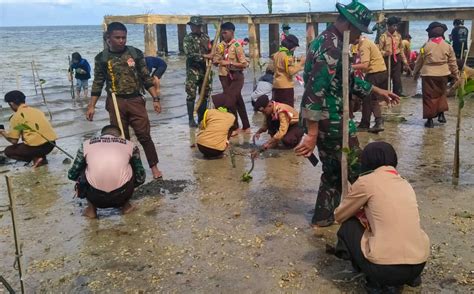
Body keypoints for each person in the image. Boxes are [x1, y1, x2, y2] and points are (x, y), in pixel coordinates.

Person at [295, 0, 400, 227]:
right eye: (359, 32)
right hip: (330, 121)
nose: (359, 38)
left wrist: (377, 90)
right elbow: (314, 92)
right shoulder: (330, 48)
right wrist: (311, 134)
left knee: (332, 172)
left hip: (333, 118)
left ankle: (322, 218)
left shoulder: (332, 42)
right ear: (349, 25)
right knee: (357, 167)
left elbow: (347, 81)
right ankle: (381, 219)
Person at [334, 141, 430, 292]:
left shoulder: (367, 182)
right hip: (418, 264)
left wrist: (354, 204)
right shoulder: (405, 183)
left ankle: (374, 280)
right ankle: (409, 278)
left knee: (348, 225)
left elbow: (339, 215)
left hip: (385, 269)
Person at [86, 22, 163, 179]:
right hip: (115, 102)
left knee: (144, 135)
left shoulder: (135, 53)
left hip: (135, 99)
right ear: (109, 38)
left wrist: (155, 98)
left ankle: (154, 168)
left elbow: (145, 77)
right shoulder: (102, 58)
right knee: (121, 139)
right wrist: (91, 106)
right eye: (117, 38)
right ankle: (129, 170)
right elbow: (98, 83)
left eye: (124, 37)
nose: (121, 41)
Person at [68, 125, 146, 218]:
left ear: (102, 134)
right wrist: (131, 185)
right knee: (130, 165)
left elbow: (72, 175)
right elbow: (141, 177)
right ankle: (126, 206)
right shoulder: (130, 145)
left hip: (95, 197)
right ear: (119, 135)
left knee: (84, 168)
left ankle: (91, 210)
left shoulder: (85, 145)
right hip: (122, 195)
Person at [413, 22, 458, 128]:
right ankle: (441, 115)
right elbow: (452, 62)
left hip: (428, 74)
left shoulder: (425, 46)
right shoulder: (448, 46)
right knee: (441, 94)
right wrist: (456, 74)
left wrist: (415, 73)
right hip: (443, 74)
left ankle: (430, 120)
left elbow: (419, 61)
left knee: (429, 97)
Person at [0, 90, 57, 167]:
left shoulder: (16, 116)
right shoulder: (37, 111)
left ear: (11, 103)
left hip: (36, 147)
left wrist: (3, 132)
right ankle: (41, 157)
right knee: (33, 141)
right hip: (51, 144)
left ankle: (37, 159)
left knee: (8, 151)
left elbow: (14, 141)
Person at [213, 22, 250, 133]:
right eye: (222, 33)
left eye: (225, 32)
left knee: (230, 101)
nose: (224, 35)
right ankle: (245, 126)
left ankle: (235, 127)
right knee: (238, 100)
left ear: (232, 32)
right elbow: (217, 60)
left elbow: (244, 64)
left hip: (235, 76)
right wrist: (216, 60)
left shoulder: (237, 46)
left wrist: (229, 63)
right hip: (223, 76)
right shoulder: (221, 46)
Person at [352, 36, 387, 133]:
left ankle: (374, 122)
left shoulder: (364, 45)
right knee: (369, 98)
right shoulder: (367, 42)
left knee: (369, 98)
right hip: (381, 71)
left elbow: (365, 65)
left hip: (374, 73)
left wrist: (349, 66)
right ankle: (367, 122)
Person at [183, 16, 213, 127]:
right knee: (191, 95)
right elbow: (189, 54)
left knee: (204, 94)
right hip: (192, 71)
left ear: (200, 26)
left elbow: (210, 50)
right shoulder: (188, 38)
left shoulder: (206, 37)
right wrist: (205, 56)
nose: (194, 28)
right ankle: (191, 119)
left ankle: (201, 118)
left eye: (197, 26)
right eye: (192, 26)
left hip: (204, 71)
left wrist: (211, 55)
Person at [378, 16, 409, 96]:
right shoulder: (383, 37)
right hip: (386, 59)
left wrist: (405, 61)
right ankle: (386, 93)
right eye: (393, 26)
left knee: (397, 77)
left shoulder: (398, 36)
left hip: (396, 58)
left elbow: (401, 49)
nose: (395, 28)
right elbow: (379, 51)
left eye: (396, 26)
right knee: (386, 77)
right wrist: (385, 53)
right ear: (388, 26)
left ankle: (398, 93)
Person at [272, 34, 305, 107]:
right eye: (295, 47)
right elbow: (291, 71)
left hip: (276, 85)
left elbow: (282, 66)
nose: (295, 49)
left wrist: (297, 61)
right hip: (286, 87)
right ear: (291, 45)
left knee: (278, 110)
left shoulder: (277, 54)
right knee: (288, 110)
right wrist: (301, 63)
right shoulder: (287, 55)